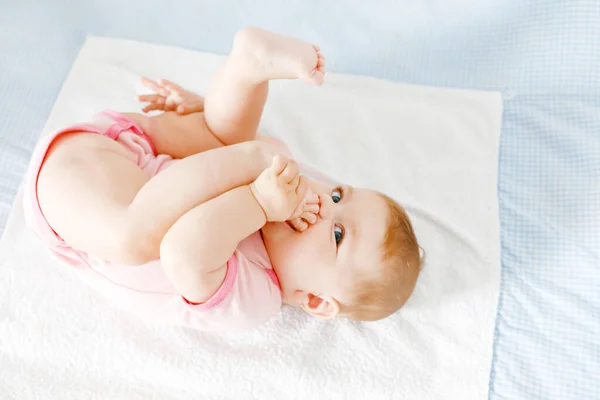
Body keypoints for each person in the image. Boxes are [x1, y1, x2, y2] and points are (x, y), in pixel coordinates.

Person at [24, 27, 422, 331]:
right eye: (338, 194)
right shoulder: (285, 190)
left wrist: (258, 202)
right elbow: (237, 153)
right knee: (230, 140)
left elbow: (183, 252)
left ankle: (234, 109)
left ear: (316, 300)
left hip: (79, 193)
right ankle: (248, 67)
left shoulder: (257, 295)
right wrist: (209, 124)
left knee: (132, 239)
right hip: (133, 148)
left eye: (337, 235)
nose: (323, 204)